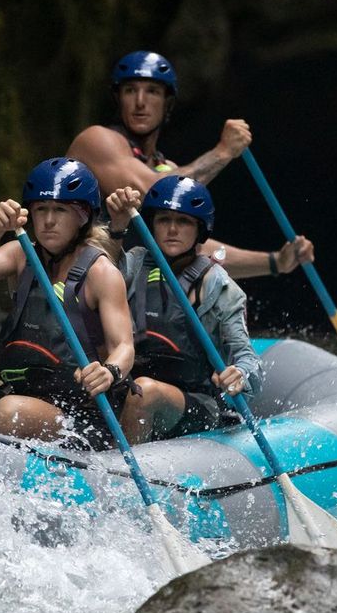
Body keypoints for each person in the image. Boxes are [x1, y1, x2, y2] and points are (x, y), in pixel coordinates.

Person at [0, 158, 135, 443]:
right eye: (41, 210)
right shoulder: (22, 255)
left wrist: (109, 371)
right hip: (19, 393)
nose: (48, 220)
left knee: (9, 412)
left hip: (79, 411)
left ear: (82, 216)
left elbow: (124, 347)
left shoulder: (101, 272)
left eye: (60, 210)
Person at [65, 50, 314, 280]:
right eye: (130, 90)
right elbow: (153, 191)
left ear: (167, 102)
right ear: (118, 99)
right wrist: (223, 152)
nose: (140, 101)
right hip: (76, 286)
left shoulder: (165, 167)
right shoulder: (97, 141)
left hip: (121, 293)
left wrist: (274, 262)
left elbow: (198, 250)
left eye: (152, 91)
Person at [104, 177, 262, 443]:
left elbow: (249, 361)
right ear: (151, 223)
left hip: (195, 403)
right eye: (164, 219)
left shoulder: (218, 285)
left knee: (145, 392)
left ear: (200, 229)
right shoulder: (135, 264)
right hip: (127, 387)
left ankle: (121, 476)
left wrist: (240, 375)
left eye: (184, 221)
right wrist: (117, 226)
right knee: (135, 389)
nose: (172, 229)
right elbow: (93, 279)